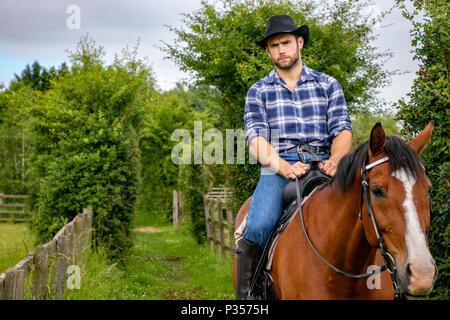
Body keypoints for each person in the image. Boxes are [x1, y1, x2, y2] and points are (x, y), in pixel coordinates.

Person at [236, 14, 353, 299]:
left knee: (365, 210)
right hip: (278, 165)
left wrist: (336, 159)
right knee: (260, 223)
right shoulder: (258, 92)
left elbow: (342, 130)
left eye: (286, 42)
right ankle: (249, 296)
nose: (281, 50)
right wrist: (284, 167)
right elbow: (257, 140)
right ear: (268, 51)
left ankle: (389, 282)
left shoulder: (327, 84)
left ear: (299, 42)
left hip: (324, 162)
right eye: (274, 45)